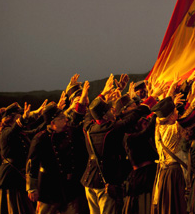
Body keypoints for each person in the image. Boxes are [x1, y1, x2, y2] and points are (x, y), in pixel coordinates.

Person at [82, 78, 151, 214]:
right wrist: (152, 99)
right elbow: (134, 115)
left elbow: (90, 112)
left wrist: (103, 94)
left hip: (89, 180)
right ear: (106, 115)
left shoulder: (88, 127)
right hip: (106, 183)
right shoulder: (112, 129)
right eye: (109, 110)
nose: (112, 111)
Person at [27, 102, 89, 214]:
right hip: (49, 186)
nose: (66, 120)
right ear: (52, 122)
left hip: (69, 185)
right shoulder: (40, 138)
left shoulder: (70, 132)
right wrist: (32, 188)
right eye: (61, 118)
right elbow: (32, 164)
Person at [0, 102, 38, 214]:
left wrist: (46, 114)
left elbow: (36, 131)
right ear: (10, 118)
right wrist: (24, 118)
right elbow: (13, 130)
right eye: (18, 117)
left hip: (17, 180)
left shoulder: (20, 133)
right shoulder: (5, 132)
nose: (20, 118)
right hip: (8, 182)